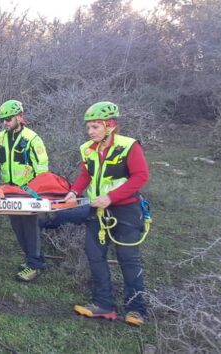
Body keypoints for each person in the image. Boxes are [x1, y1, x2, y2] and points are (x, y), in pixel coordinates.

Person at [63, 101, 150, 326]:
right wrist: (74, 191)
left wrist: (112, 197)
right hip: (98, 211)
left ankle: (136, 309)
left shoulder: (129, 146)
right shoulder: (87, 149)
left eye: (95, 127)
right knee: (95, 255)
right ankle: (103, 304)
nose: (90, 132)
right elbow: (86, 175)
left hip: (126, 210)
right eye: (88, 127)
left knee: (128, 259)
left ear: (110, 125)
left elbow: (140, 176)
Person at [0, 99, 50, 282]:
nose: (5, 122)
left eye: (8, 119)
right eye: (3, 119)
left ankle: (34, 265)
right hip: (9, 190)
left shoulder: (32, 139)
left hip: (28, 191)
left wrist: (37, 193)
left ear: (19, 117)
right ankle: (34, 260)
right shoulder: (0, 138)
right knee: (17, 227)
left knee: (30, 227)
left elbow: (42, 169)